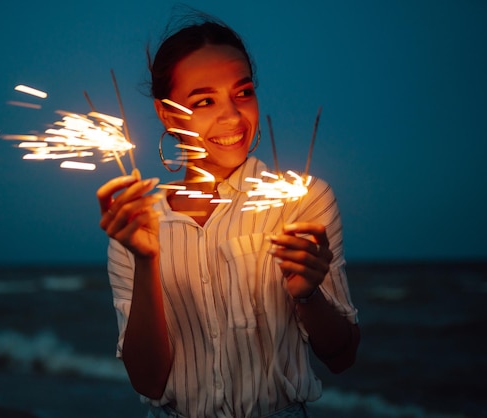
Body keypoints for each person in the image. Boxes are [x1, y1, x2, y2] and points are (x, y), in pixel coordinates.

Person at [97, 13, 360, 418]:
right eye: (204, 101)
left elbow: (342, 357)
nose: (233, 117)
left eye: (243, 93)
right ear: (167, 115)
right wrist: (146, 260)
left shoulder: (301, 201)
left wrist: (307, 294)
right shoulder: (136, 223)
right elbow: (148, 381)